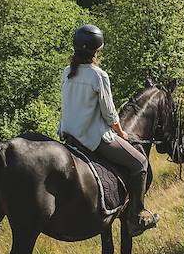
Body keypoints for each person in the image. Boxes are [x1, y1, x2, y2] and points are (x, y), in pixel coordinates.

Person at [58, 24, 159, 234]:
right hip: (92, 137)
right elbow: (110, 113)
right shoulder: (98, 75)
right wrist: (121, 133)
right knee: (140, 162)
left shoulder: (67, 72)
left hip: (68, 135)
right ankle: (137, 216)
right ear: (97, 50)